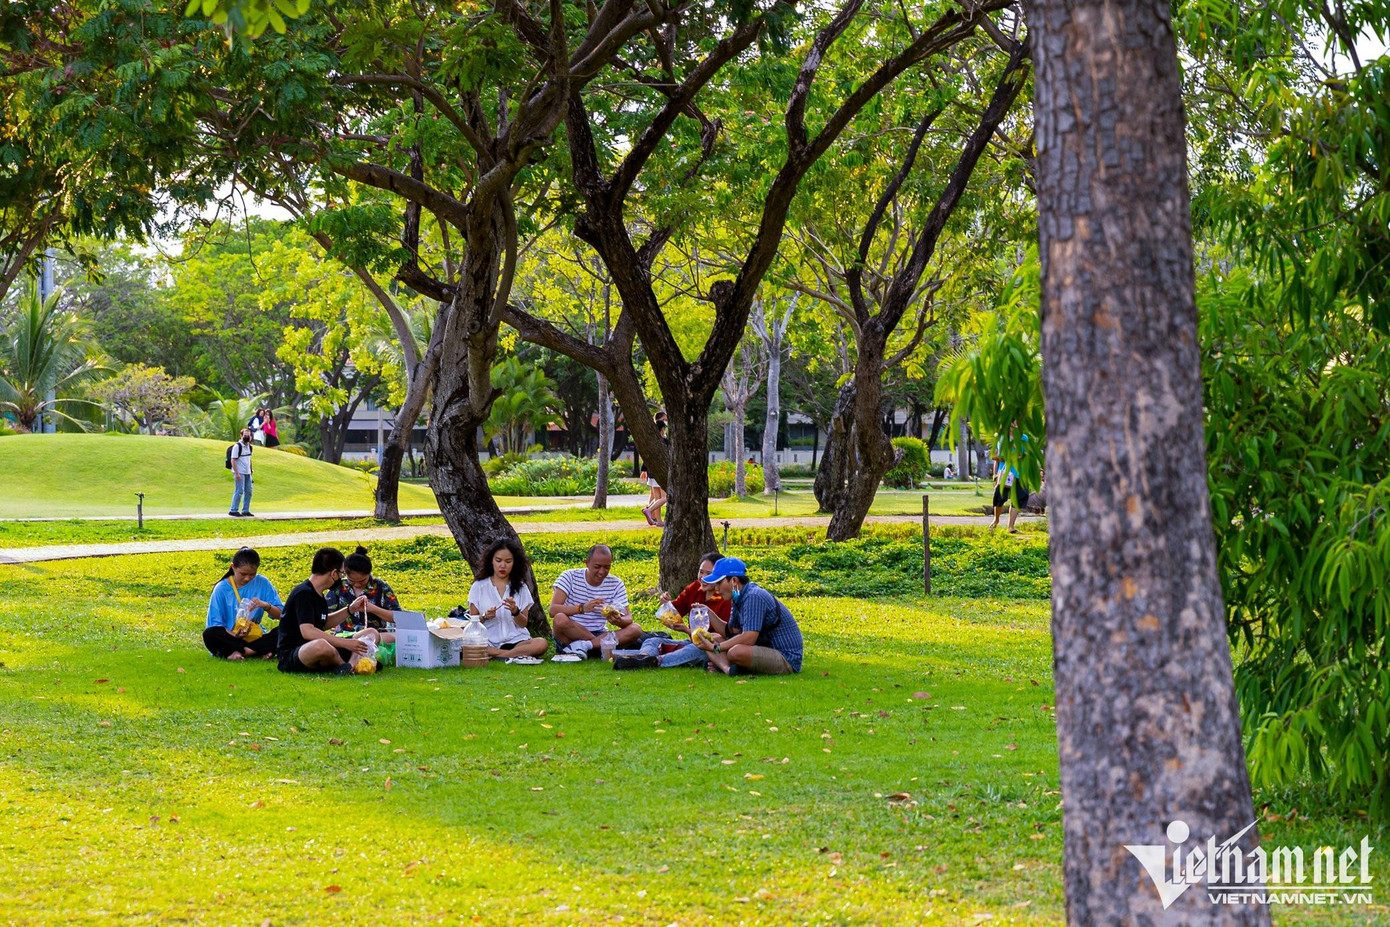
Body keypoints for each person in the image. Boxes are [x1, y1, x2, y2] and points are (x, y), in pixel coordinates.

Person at [614, 552, 731, 670]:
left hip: (711, 648)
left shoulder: (725, 598)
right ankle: (642, 658)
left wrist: (687, 630)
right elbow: (675, 611)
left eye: (709, 573)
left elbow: (721, 639)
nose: (703, 577)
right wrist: (666, 605)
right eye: (701, 572)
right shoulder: (695, 588)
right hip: (691, 643)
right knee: (652, 641)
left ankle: (655, 662)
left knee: (696, 650)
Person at [691, 556, 802, 676]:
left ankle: (730, 665)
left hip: (785, 657)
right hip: (762, 649)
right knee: (712, 637)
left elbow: (749, 638)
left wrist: (716, 648)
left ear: (734, 581)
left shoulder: (753, 596)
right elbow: (731, 631)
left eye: (719, 583)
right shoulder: (737, 596)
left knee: (736, 652)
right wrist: (708, 612)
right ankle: (727, 669)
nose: (716, 588)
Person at [276, 547, 378, 675]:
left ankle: (351, 665)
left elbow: (323, 623)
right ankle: (344, 665)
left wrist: (350, 609)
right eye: (341, 574)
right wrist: (345, 643)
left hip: (321, 647)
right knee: (321, 645)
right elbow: (308, 631)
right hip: (295, 653)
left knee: (371, 633)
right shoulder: (303, 593)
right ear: (333, 573)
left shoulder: (319, 594)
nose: (341, 578)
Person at [549, 544, 643, 658]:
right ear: (587, 562)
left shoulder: (616, 583)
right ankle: (598, 647)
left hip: (600, 632)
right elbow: (553, 610)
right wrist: (581, 608)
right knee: (560, 619)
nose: (602, 571)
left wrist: (618, 620)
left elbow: (628, 619)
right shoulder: (569, 576)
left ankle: (584, 647)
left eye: (607, 567)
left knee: (636, 629)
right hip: (572, 632)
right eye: (597, 567)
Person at [468, 537, 549, 661]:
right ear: (491, 561)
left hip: (517, 640)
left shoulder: (521, 587)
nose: (502, 565)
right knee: (471, 645)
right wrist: (485, 616)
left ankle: (500, 655)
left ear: (514, 563)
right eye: (498, 560)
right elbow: (473, 622)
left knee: (541, 643)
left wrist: (515, 611)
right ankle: (511, 654)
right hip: (489, 641)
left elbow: (523, 623)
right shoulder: (479, 586)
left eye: (508, 561)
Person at [203, 547, 283, 660]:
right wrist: (235, 635)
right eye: (243, 574)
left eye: (252, 574)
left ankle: (240, 652)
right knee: (210, 634)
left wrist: (266, 606)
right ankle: (255, 651)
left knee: (287, 629)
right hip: (230, 637)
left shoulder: (263, 583)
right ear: (233, 567)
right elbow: (215, 624)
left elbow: (282, 615)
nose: (247, 578)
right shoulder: (221, 589)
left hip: (255, 636)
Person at [324, 545, 400, 643]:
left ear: (369, 574)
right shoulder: (338, 587)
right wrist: (349, 610)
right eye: (352, 580)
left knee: (386, 637)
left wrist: (373, 609)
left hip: (374, 636)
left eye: (362, 580)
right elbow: (325, 617)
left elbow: (398, 617)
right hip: (344, 636)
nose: (357, 584)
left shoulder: (381, 587)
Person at [990, 435, 1031, 534]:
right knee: (1000, 498)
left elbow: (1026, 454)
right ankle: (996, 520)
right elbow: (994, 457)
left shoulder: (1023, 438)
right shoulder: (998, 436)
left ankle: (1011, 527)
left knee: (1018, 499)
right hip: (1004, 473)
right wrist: (995, 475)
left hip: (1019, 473)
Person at [643, 418, 669, 527]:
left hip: (651, 472)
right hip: (660, 472)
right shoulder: (664, 442)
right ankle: (649, 509)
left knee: (657, 498)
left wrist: (644, 469)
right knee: (666, 497)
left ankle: (658, 521)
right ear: (662, 429)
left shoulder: (649, 441)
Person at [229, 427, 255, 517]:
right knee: (239, 491)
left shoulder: (250, 447)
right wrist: (237, 473)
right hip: (239, 472)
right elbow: (233, 460)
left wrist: (251, 470)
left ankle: (245, 510)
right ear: (241, 436)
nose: (247, 437)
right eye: (245, 435)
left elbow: (249, 459)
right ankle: (233, 510)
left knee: (249, 491)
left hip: (247, 472)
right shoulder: (237, 446)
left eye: (249, 435)